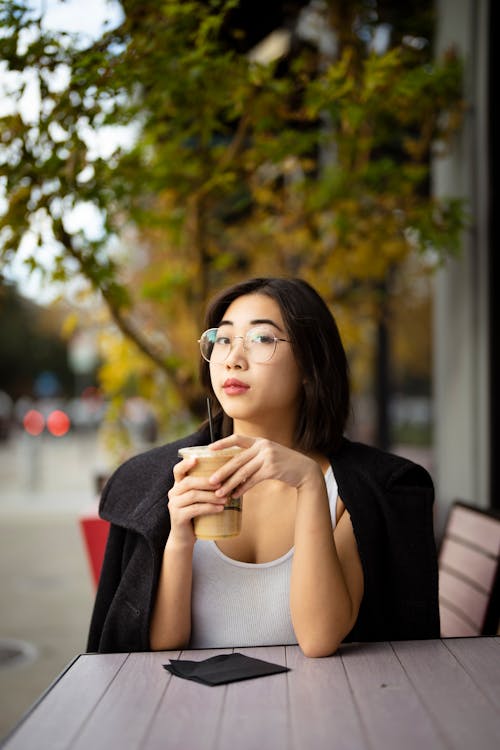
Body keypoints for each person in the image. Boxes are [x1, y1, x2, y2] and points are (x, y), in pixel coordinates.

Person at [87, 277, 439, 657]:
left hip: (320, 709)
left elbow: (319, 639)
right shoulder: (162, 482)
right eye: (223, 339)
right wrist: (179, 540)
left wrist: (309, 483)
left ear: (310, 365)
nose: (233, 358)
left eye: (262, 339)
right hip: (194, 711)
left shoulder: (369, 489)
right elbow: (162, 647)